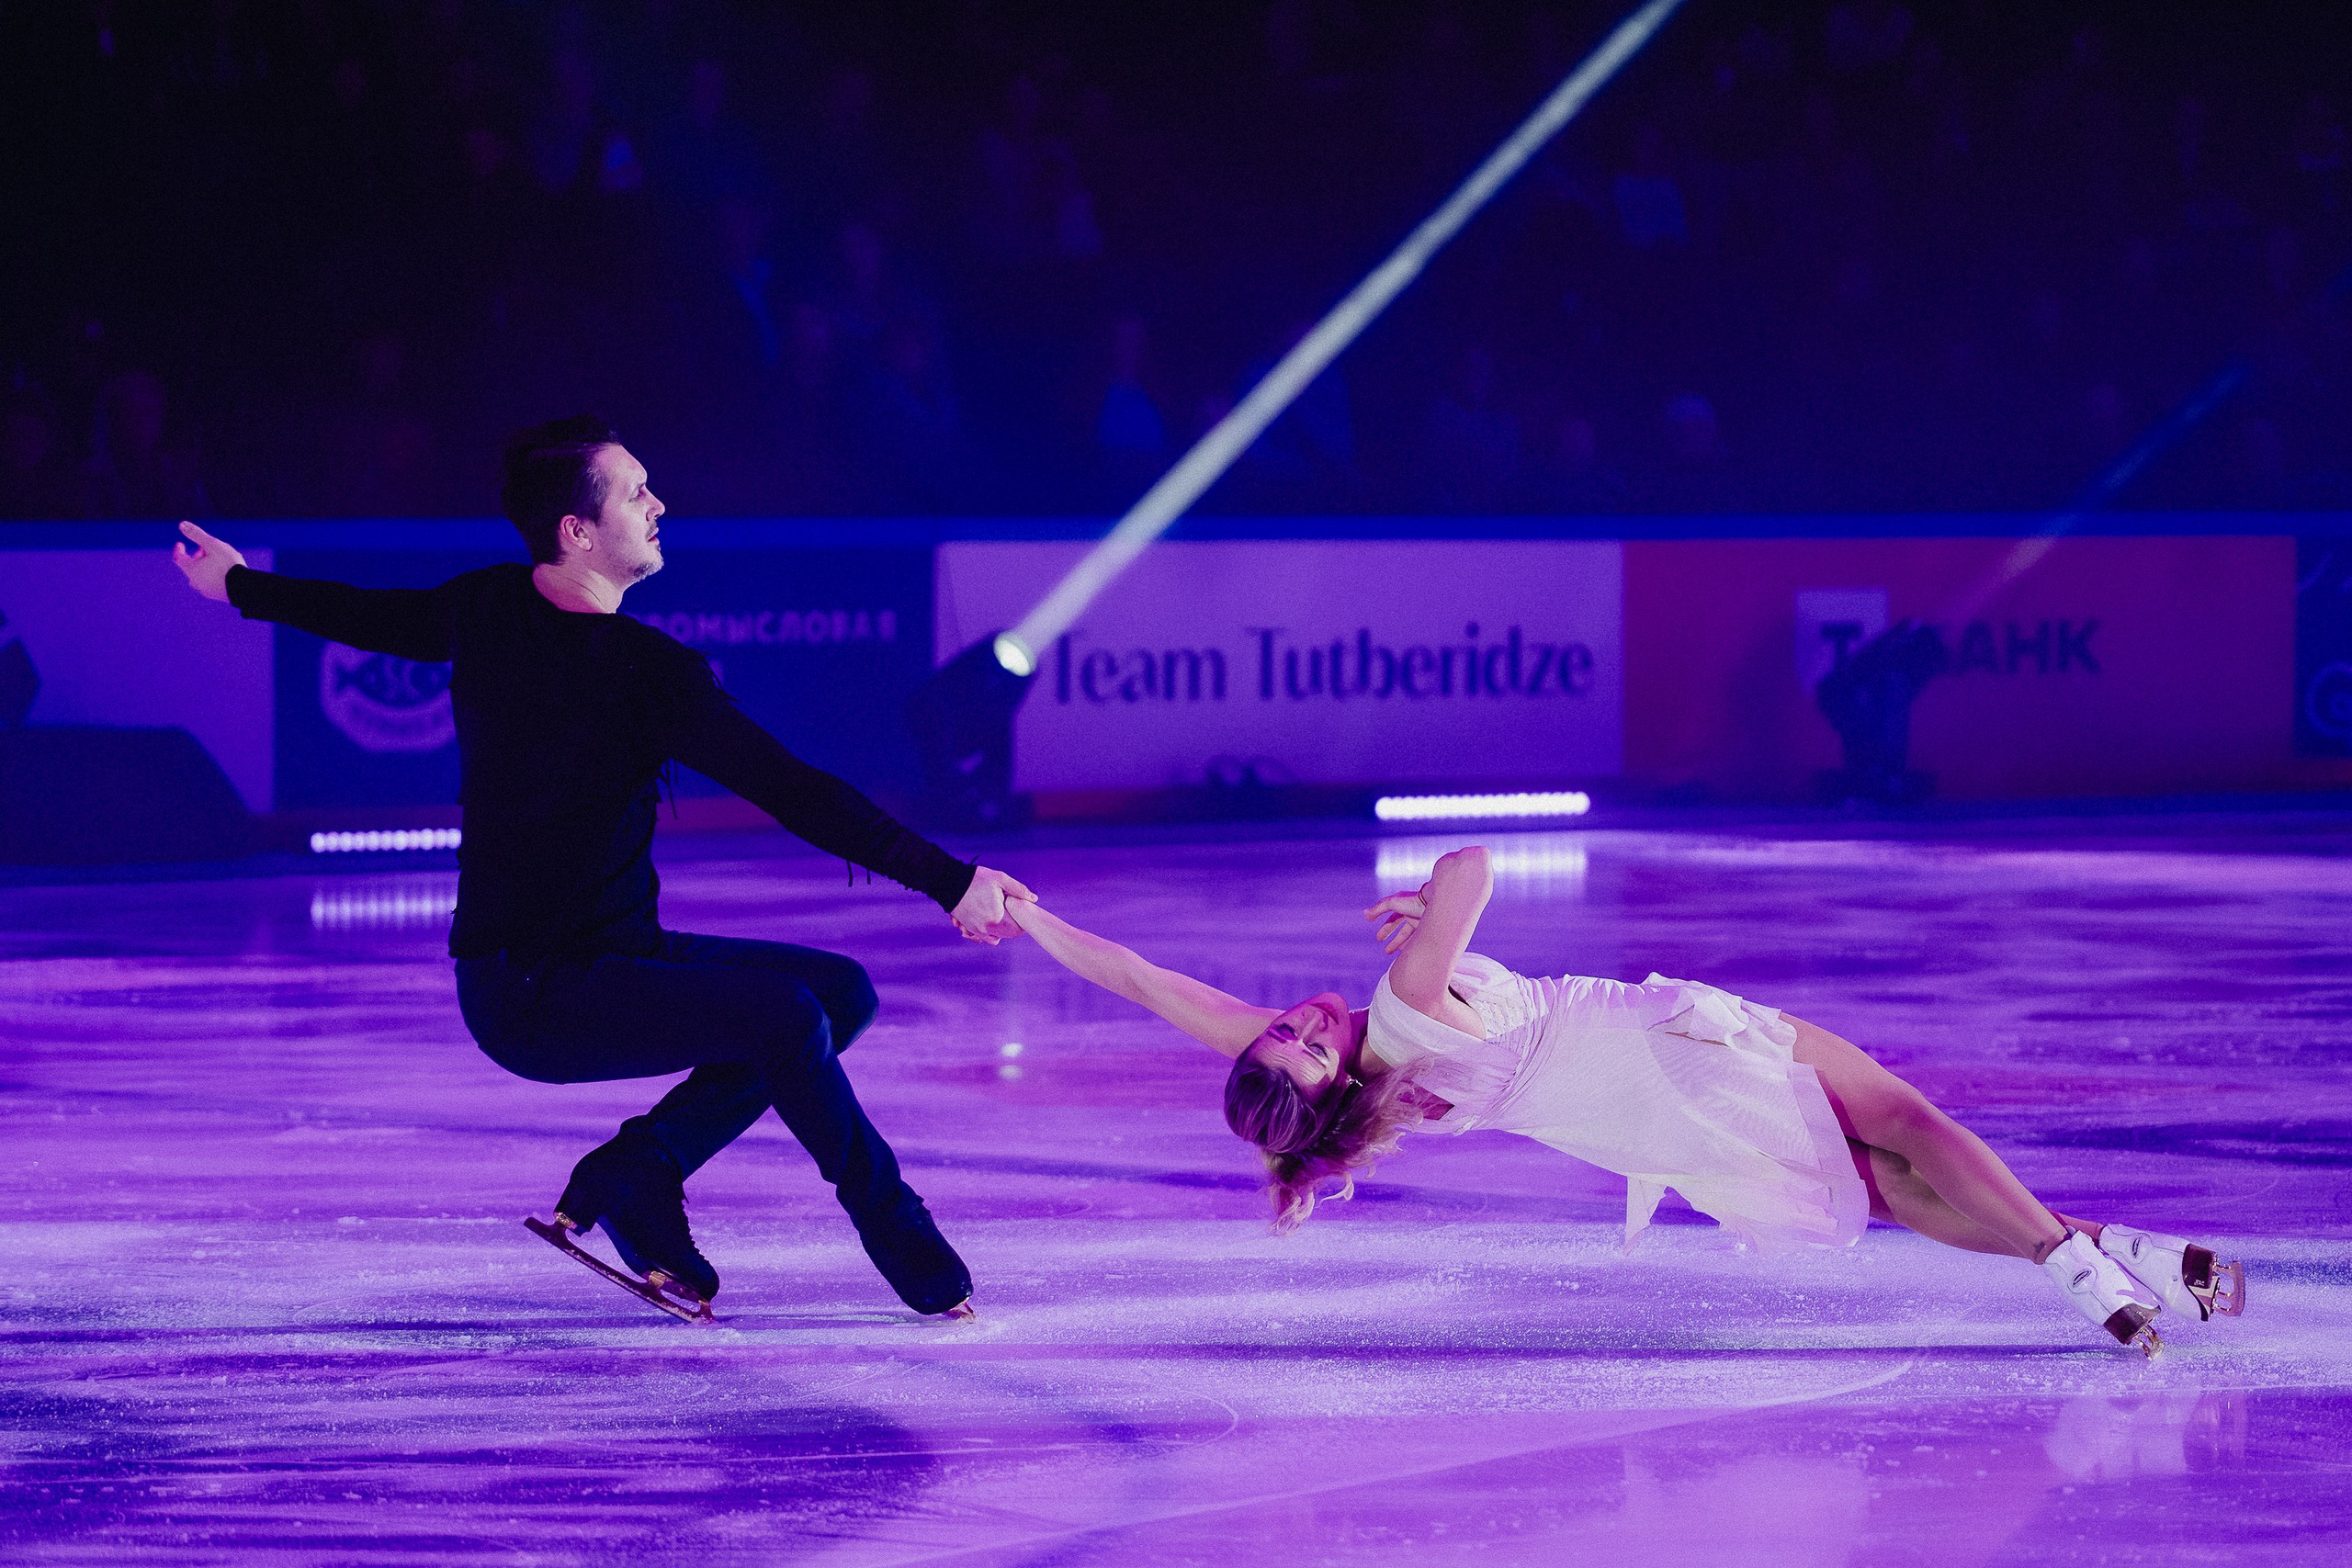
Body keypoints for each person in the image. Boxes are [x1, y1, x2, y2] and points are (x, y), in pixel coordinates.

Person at [171, 414, 1035, 1321]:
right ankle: (902, 1238)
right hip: (530, 991)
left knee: (839, 994)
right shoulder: (510, 619)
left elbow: (793, 789)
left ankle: (635, 1172)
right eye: (635, 491)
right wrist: (234, 584)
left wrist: (238, 583)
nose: (658, 504)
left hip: (620, 955)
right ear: (577, 531)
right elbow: (363, 612)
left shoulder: (610, 655)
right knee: (783, 1015)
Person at [1005, 844, 2245, 1355]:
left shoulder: (1365, 1080)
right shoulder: (1399, 999)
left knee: (1881, 1184)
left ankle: (2096, 1255)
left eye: (1275, 1026)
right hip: (1661, 1044)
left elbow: (1146, 981)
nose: (1292, 1018)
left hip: (1623, 1122)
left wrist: (1035, 918)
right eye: (1295, 1039)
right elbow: (1478, 861)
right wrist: (1424, 909)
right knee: (1907, 1123)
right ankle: (2071, 1255)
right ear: (1325, 1078)